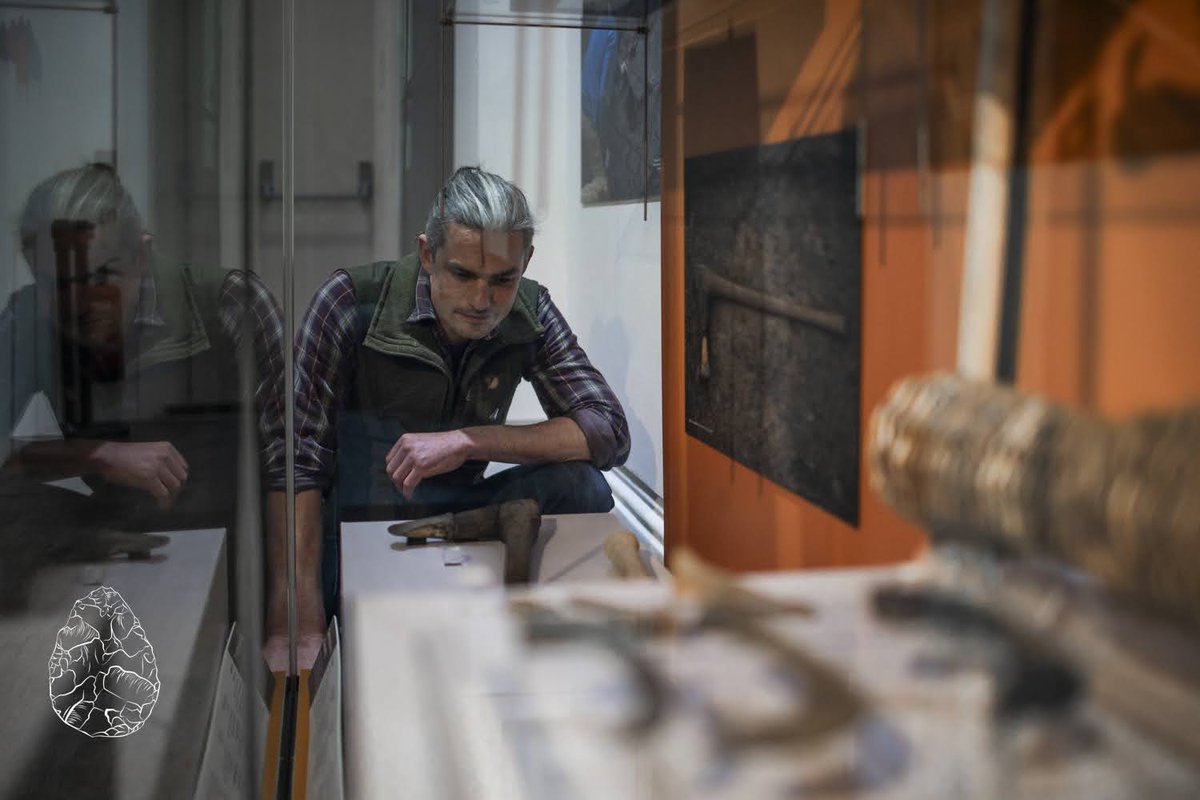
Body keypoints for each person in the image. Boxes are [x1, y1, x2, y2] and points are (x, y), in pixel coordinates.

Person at [267, 166, 630, 667]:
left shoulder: (530, 309)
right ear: (426, 255)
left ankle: (552, 642)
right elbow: (297, 460)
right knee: (344, 650)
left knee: (584, 485)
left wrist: (468, 441)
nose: (482, 301)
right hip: (360, 522)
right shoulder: (350, 300)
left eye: (503, 279)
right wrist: (297, 607)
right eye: (462, 274)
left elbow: (608, 430)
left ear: (525, 261)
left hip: (458, 511)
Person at [2, 162, 285, 534]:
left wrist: (284, 587)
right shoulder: (26, 321)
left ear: (140, 256)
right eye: (53, 285)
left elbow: (288, 466)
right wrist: (97, 455)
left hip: (213, 552)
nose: (77, 304)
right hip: (91, 549)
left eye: (98, 277)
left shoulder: (231, 304)